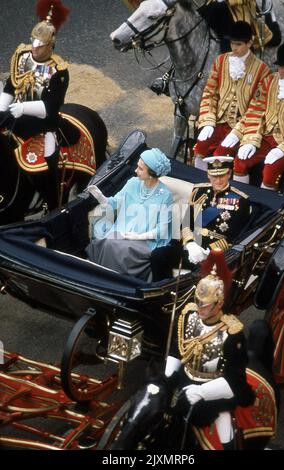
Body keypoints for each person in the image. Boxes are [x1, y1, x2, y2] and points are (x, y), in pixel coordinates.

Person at [111, 250, 277, 450]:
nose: (199, 309)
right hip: (184, 379)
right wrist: (166, 378)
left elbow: (234, 380)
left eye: (205, 306)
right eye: (198, 302)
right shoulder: (189, 315)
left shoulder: (232, 333)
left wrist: (201, 392)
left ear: (219, 304)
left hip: (214, 391)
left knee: (224, 434)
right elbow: (177, 348)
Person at [0, 0, 70, 209]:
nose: (35, 48)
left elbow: (52, 106)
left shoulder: (59, 70)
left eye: (41, 45)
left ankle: (53, 203)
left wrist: (24, 108)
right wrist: (3, 107)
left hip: (41, 122)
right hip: (13, 113)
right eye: (34, 41)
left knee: (44, 162)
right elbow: (12, 84)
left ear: (50, 45)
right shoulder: (22, 55)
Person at [150, 156, 250, 281]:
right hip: (191, 247)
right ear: (208, 175)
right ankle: (161, 293)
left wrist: (208, 251)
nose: (218, 181)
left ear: (229, 174)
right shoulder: (199, 191)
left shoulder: (240, 200)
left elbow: (234, 237)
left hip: (213, 254)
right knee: (158, 255)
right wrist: (190, 244)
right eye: (214, 176)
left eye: (222, 176)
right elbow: (186, 223)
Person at [193, 21, 271, 171]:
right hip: (218, 122)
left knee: (220, 155)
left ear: (249, 43)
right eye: (232, 43)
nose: (233, 48)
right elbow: (210, 94)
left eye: (238, 44)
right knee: (200, 148)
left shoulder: (262, 70)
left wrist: (237, 133)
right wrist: (208, 121)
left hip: (241, 125)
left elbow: (257, 110)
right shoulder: (220, 61)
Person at [86, 148, 172, 282]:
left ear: (151, 174)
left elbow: (163, 229)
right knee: (106, 241)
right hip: (122, 230)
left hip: (146, 240)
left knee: (117, 246)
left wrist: (139, 236)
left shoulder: (165, 195)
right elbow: (115, 202)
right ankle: (101, 278)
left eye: (140, 168)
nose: (135, 170)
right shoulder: (132, 182)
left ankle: (118, 282)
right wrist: (101, 197)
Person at [231, 41, 284, 190]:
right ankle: (241, 202)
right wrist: (250, 140)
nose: (283, 71)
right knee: (240, 161)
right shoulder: (269, 81)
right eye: (281, 66)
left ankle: (266, 209)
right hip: (266, 138)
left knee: (270, 170)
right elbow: (255, 111)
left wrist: (283, 149)